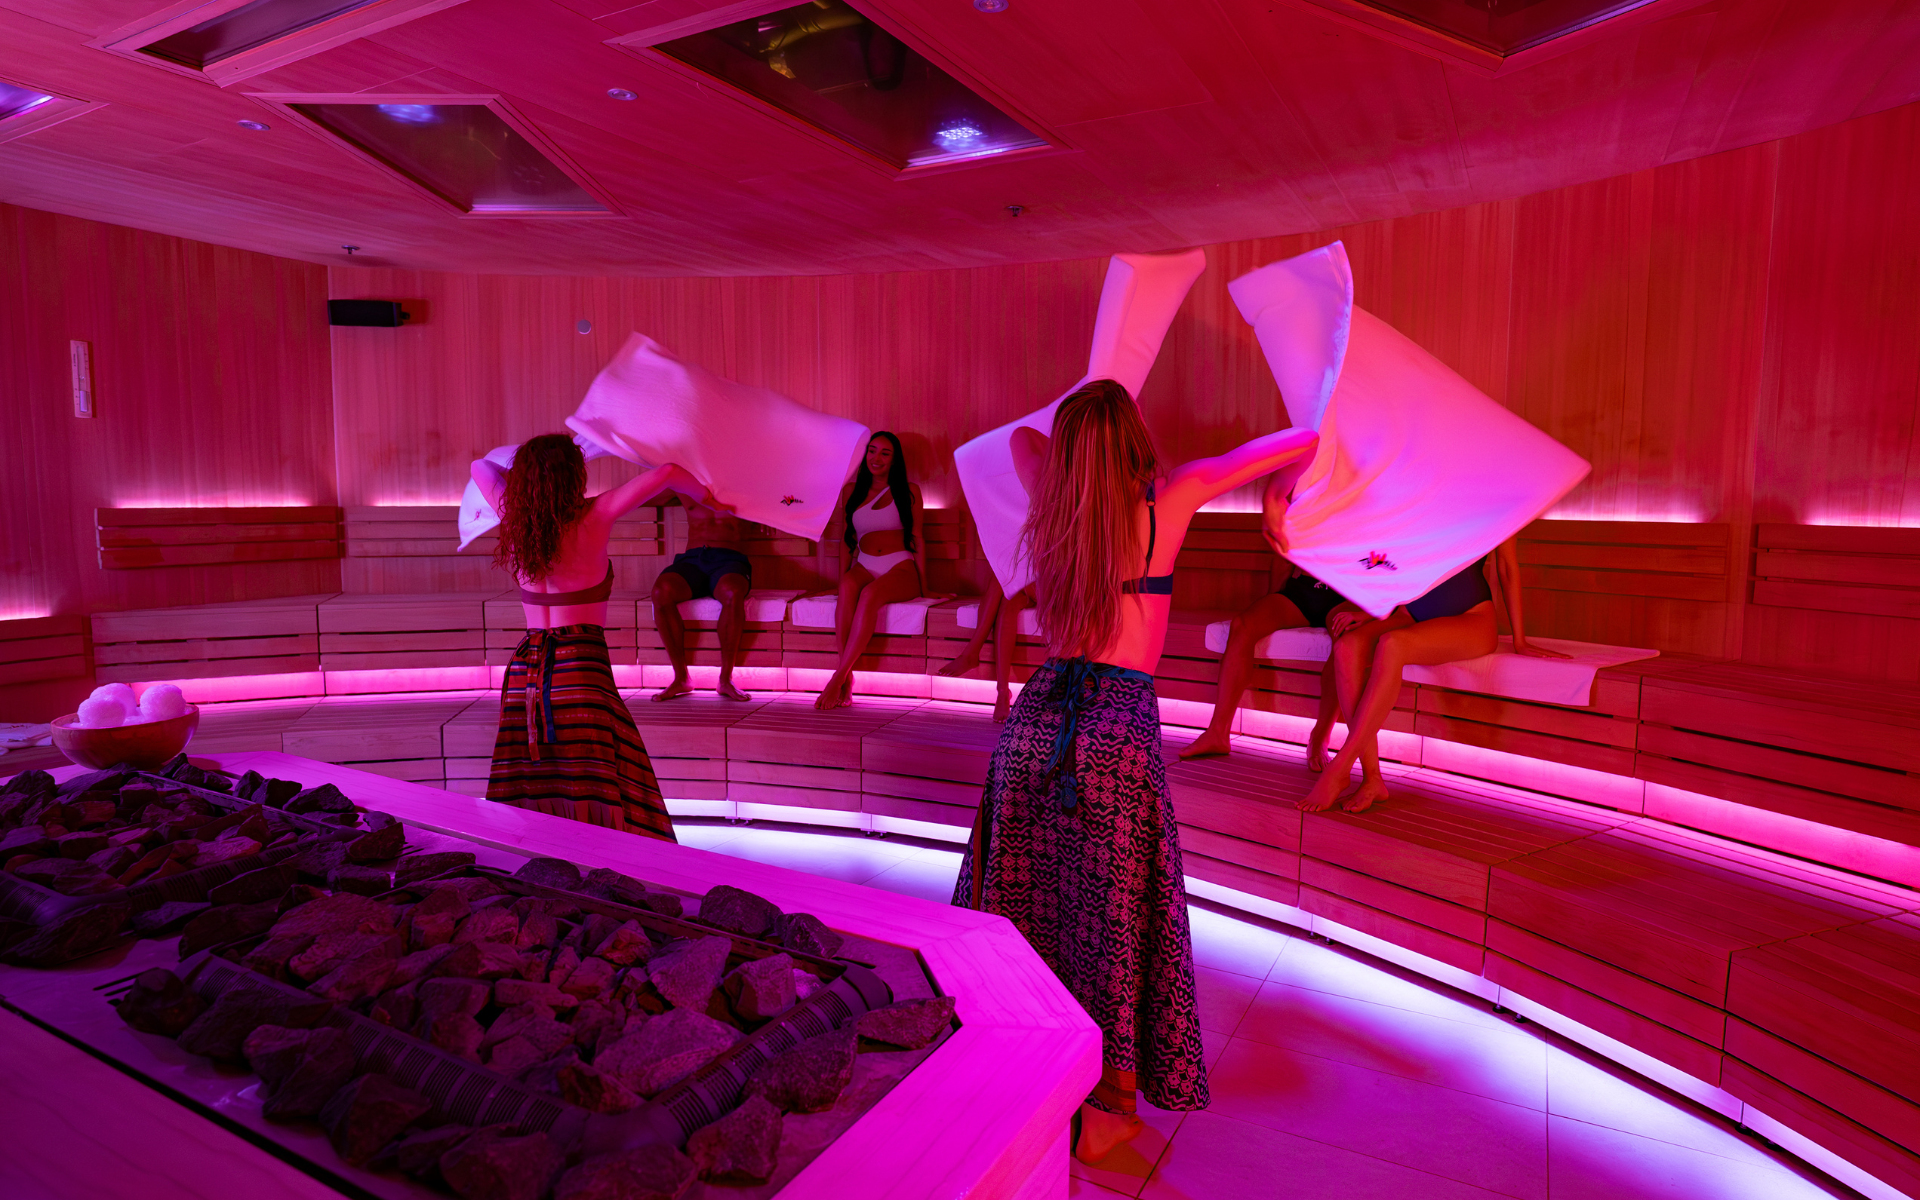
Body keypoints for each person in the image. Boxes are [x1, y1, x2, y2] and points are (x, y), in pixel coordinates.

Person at [951, 380, 1317, 1164]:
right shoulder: (1169, 500)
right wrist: (1277, 500)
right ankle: (1112, 1105)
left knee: (1025, 893)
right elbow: (1302, 439)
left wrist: (1075, 447)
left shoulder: (1054, 498)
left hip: (1039, 717)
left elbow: (1021, 440)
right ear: (1132, 435)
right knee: (1112, 912)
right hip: (1114, 723)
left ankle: (1027, 1053)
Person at [471, 434, 713, 841]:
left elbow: (480, 466)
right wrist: (709, 499)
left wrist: (529, 486)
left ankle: (539, 863)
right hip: (579, 670)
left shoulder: (514, 515)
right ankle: (611, 865)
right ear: (575, 476)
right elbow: (670, 473)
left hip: (525, 672)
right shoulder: (597, 514)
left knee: (534, 780)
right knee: (604, 779)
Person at [1298, 535, 1566, 815]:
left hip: (1471, 617)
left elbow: (1507, 568)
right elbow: (1394, 561)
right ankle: (1372, 778)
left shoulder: (1497, 497)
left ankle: (1340, 767)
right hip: (1410, 611)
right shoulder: (1423, 497)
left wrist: (1520, 641)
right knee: (1346, 648)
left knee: (1393, 645)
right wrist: (1374, 612)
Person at [1180, 472, 1345, 760]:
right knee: (1244, 624)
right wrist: (1272, 601)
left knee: (1343, 641)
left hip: (1345, 595)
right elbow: (1282, 554)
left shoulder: (1366, 501)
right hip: (1304, 590)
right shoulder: (1306, 496)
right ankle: (1218, 732)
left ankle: (1321, 735)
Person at [810, 432, 926, 710]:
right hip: (864, 564)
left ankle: (837, 678)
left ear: (894, 459)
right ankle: (846, 678)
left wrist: (926, 586)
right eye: (872, 451)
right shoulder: (851, 492)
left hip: (900, 567)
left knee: (870, 594)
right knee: (849, 587)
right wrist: (839, 580)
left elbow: (918, 538)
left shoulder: (909, 491)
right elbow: (845, 542)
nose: (876, 458)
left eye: (885, 453)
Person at [651, 492, 755, 703]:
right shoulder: (685, 483)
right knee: (661, 592)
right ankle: (681, 678)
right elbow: (644, 496)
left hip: (729, 560)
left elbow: (785, 496)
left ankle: (725, 680)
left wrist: (776, 516)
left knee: (732, 592)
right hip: (692, 560)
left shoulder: (744, 481)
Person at [935, 577, 1035, 723]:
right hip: (1020, 582)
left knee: (1000, 578)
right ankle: (1002, 691)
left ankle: (971, 654)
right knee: (1005, 597)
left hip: (1045, 583)